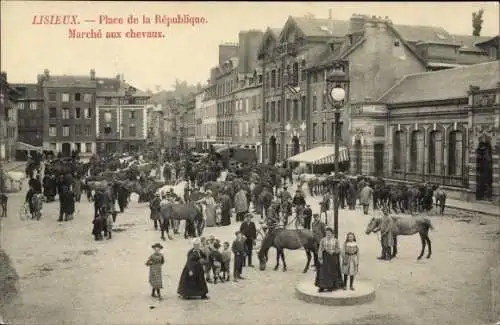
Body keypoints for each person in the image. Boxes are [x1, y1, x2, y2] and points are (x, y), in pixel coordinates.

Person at [315, 227, 344, 292]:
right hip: (325, 257)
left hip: (332, 257)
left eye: (329, 233)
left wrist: (334, 251)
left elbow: (338, 249)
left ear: (332, 233)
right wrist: (320, 258)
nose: (328, 234)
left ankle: (331, 286)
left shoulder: (335, 240)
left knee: (332, 272)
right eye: (327, 233)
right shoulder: (322, 240)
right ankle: (322, 287)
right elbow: (320, 249)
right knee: (323, 272)